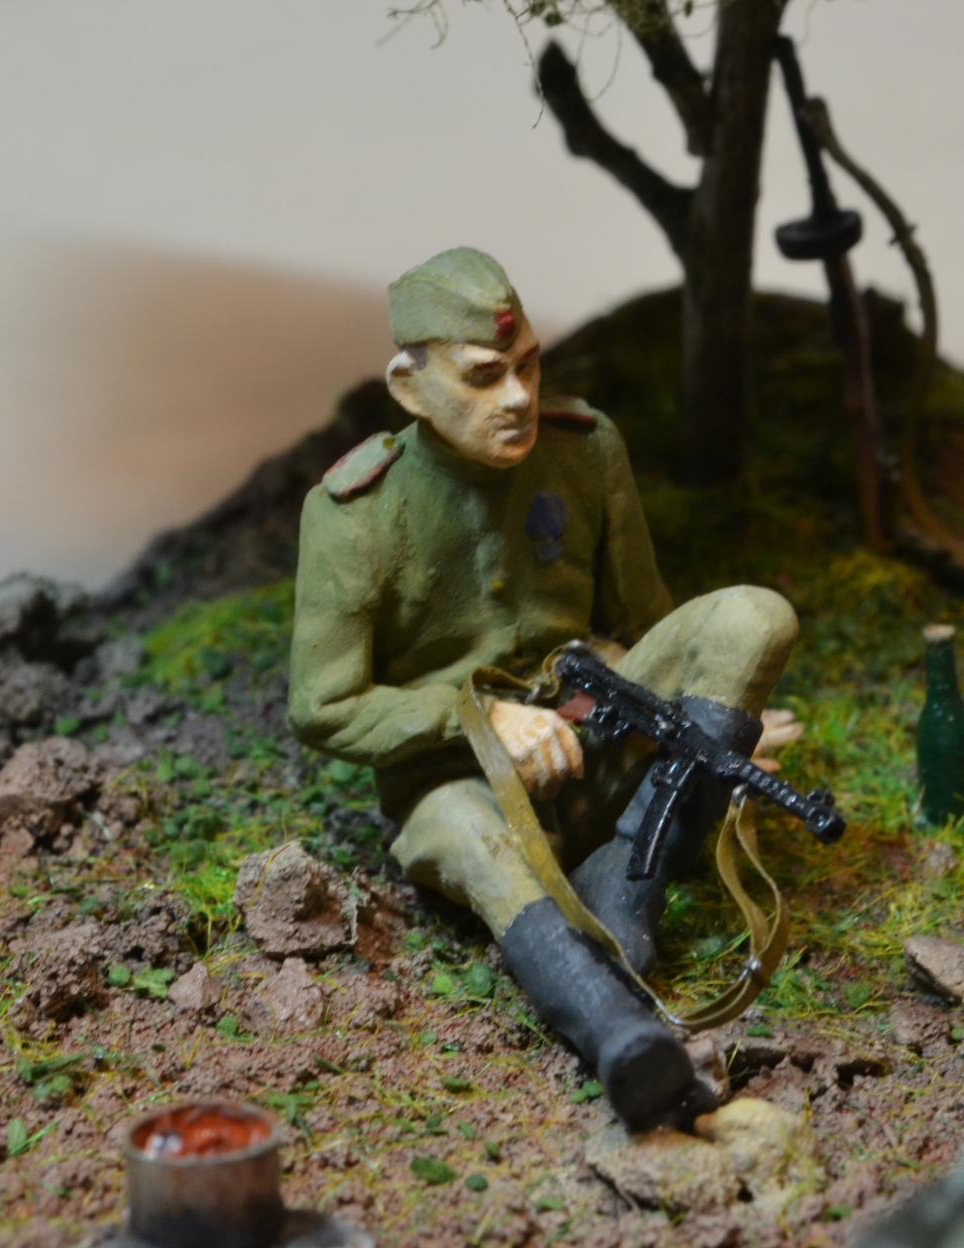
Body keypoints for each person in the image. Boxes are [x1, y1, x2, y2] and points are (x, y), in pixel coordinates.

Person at [288, 247, 799, 1128]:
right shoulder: (357, 512)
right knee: (473, 841)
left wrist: (719, 719)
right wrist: (481, 719)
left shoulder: (584, 449)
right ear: (411, 389)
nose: (520, 396)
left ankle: (624, 893)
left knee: (755, 616)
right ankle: (621, 1040)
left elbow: (649, 619)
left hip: (597, 732)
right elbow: (321, 706)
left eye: (528, 365)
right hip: (460, 781)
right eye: (484, 377)